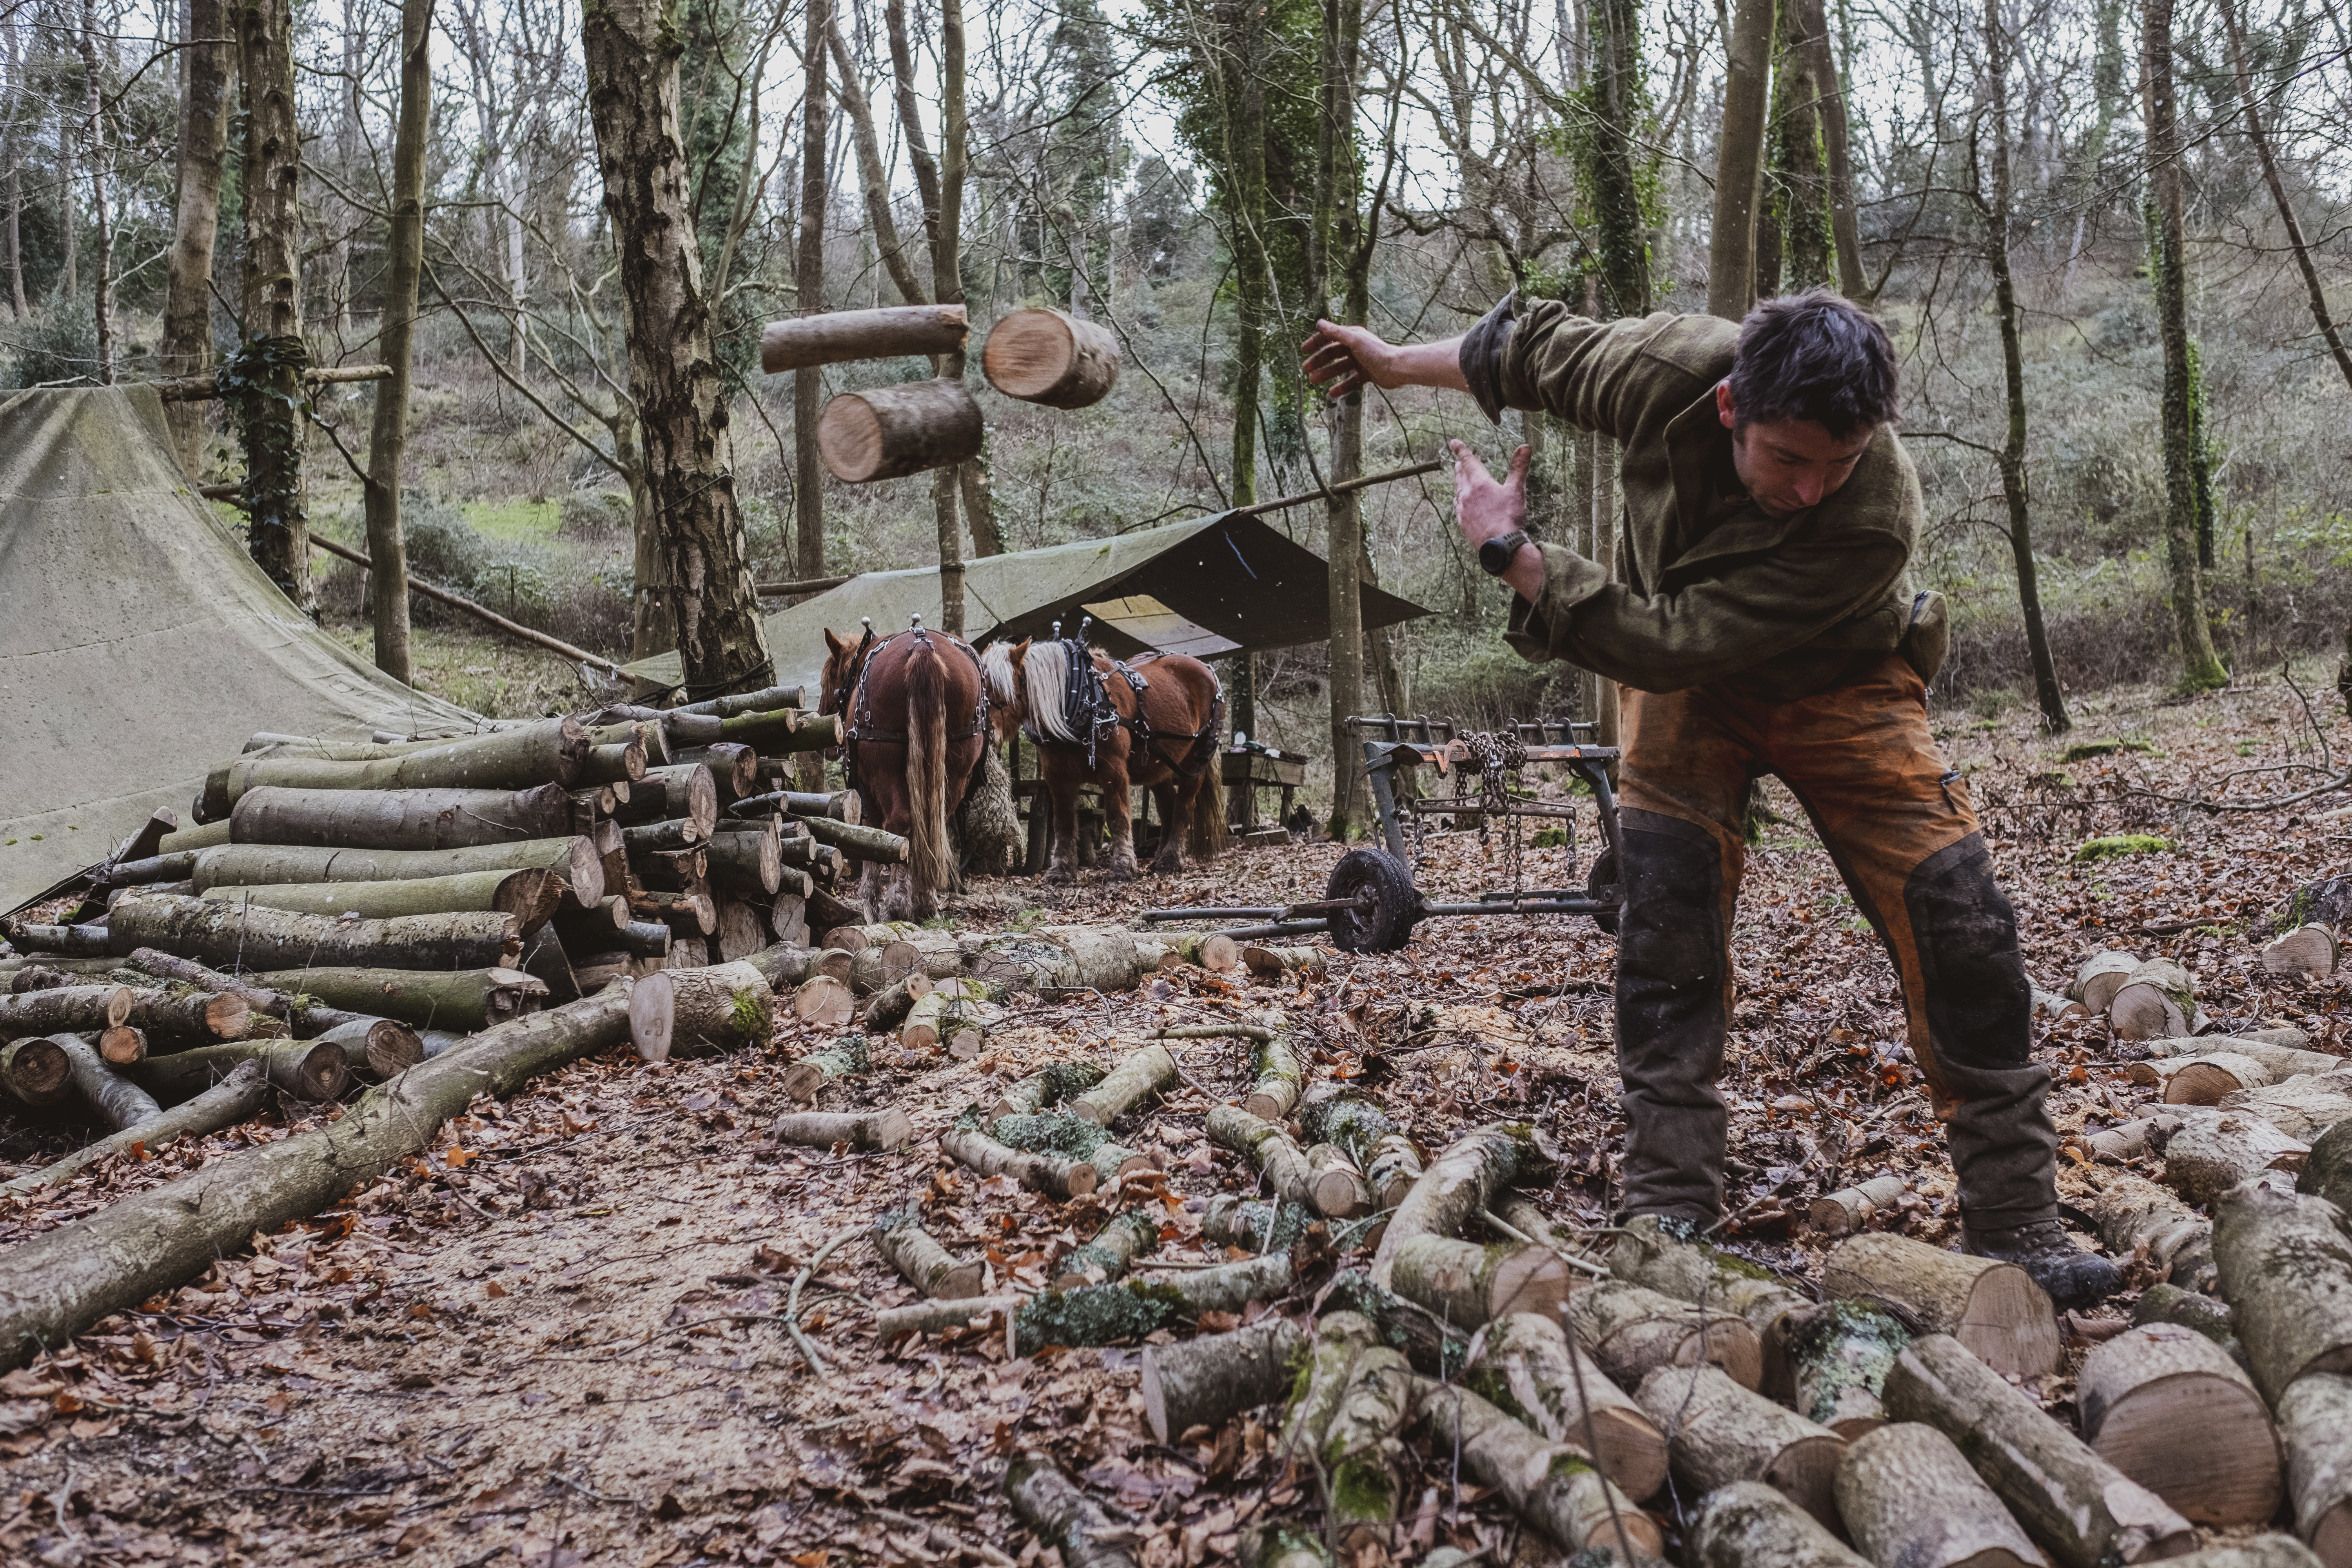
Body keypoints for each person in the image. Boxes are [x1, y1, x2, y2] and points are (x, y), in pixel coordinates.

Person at [1302, 290, 2119, 1307]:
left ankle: (2018, 1223)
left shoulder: (1875, 518)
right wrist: (1390, 363)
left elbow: (1673, 635)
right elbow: (1522, 351)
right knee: (1666, 925)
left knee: (1963, 922)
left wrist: (1512, 554)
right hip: (1687, 693)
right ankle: (1669, 1209)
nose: (1816, 487)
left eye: (1842, 460)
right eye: (1790, 459)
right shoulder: (1666, 369)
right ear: (1732, 408)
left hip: (1842, 682)